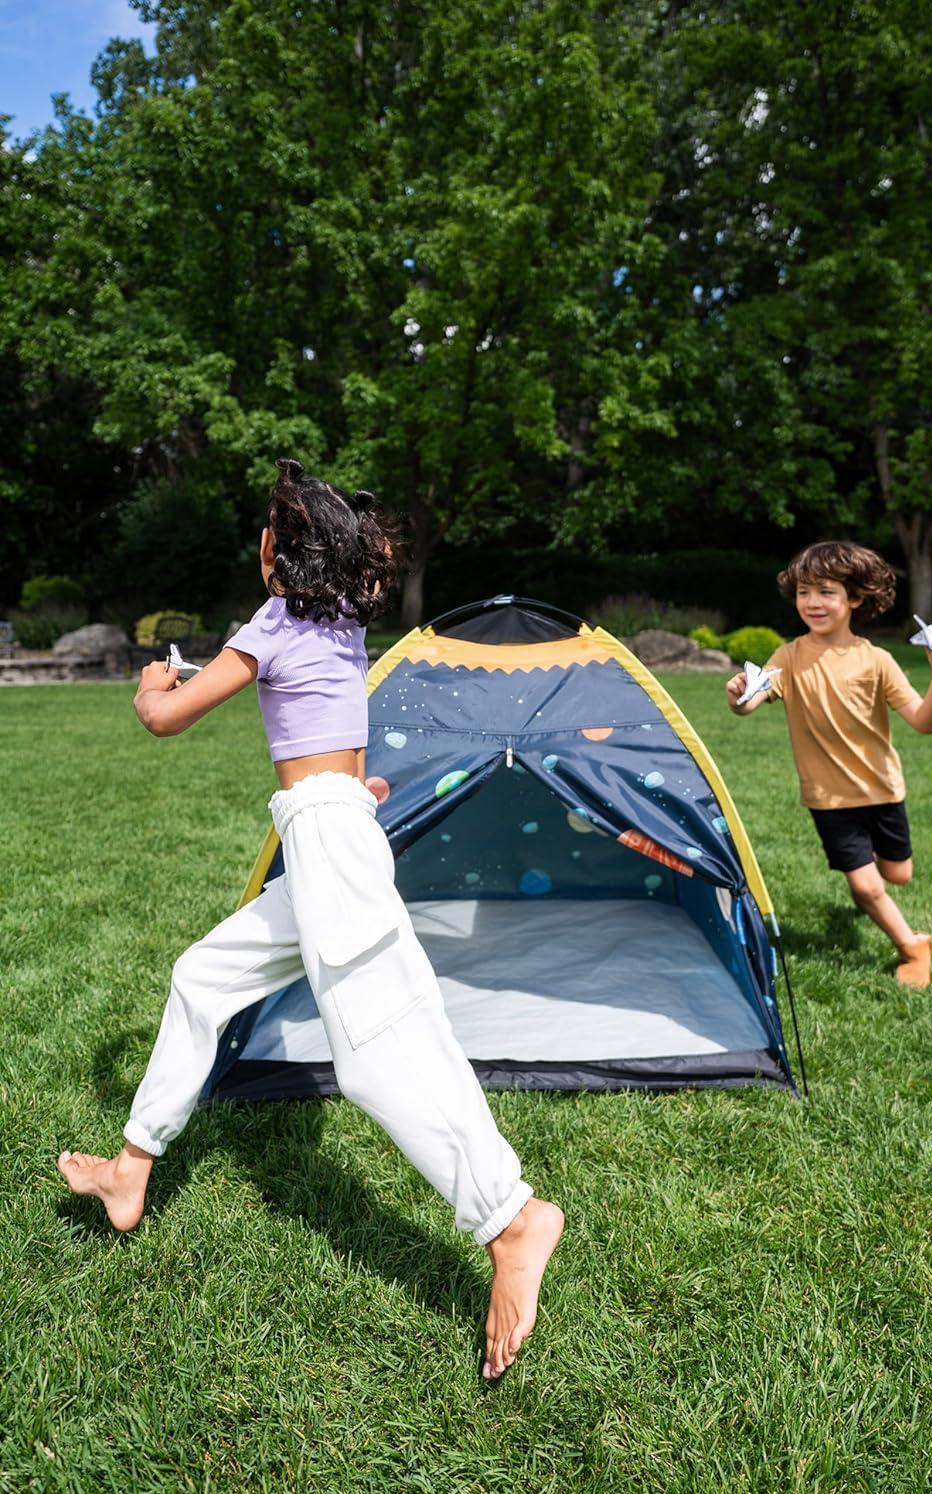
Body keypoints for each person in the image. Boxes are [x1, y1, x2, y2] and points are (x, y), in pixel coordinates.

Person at [58, 458, 562, 1380]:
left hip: (329, 841)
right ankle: (132, 1165)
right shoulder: (337, 625)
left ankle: (511, 1218)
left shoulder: (275, 619)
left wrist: (145, 686)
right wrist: (344, 797)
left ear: (271, 554)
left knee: (376, 1053)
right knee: (201, 977)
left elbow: (168, 720)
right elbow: (334, 747)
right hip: (334, 829)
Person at [726, 540, 932, 988]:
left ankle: (871, 877)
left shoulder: (878, 661)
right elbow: (750, 703)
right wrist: (738, 696)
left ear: (855, 598)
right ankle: (913, 946)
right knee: (867, 888)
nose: (812, 602)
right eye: (803, 592)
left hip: (883, 789)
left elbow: (923, 722)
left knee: (898, 875)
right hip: (828, 798)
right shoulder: (789, 657)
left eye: (826, 592)